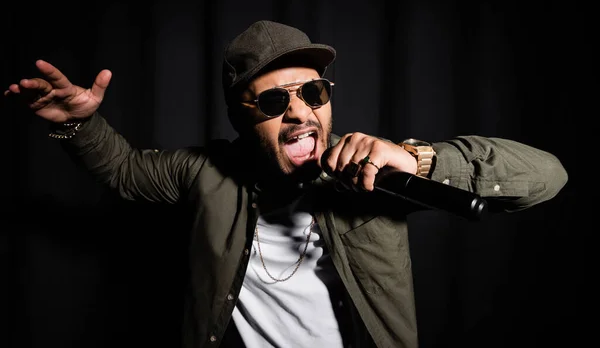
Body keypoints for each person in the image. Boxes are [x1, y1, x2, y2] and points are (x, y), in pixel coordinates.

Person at [5, 20, 568, 348]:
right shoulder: (207, 173)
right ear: (244, 120)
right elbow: (125, 172)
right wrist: (76, 122)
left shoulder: (374, 174)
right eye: (275, 102)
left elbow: (547, 177)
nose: (300, 114)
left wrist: (417, 161)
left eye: (313, 93)